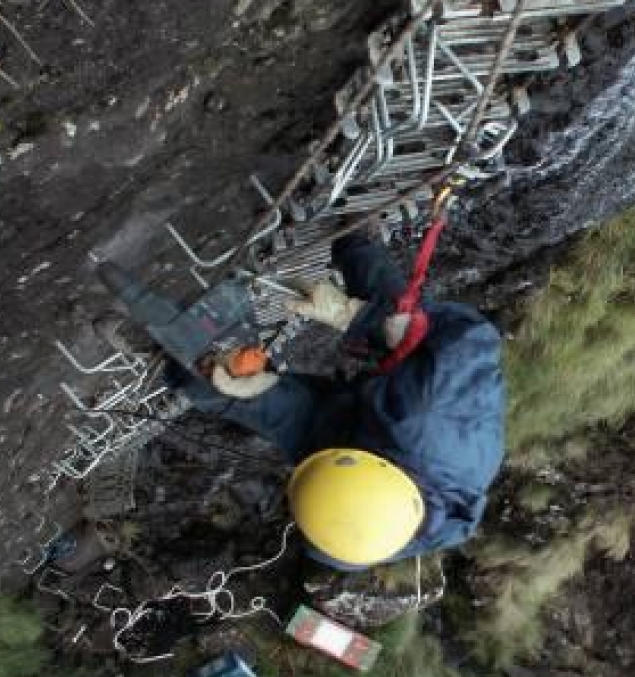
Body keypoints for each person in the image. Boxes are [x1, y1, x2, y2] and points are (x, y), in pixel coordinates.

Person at [174, 232, 506, 571]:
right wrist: (362, 317)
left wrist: (256, 388)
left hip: (357, 445)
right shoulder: (429, 410)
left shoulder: (365, 534)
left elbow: (308, 452)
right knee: (390, 312)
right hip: (422, 392)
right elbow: (472, 337)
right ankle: (355, 231)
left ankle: (190, 358)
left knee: (209, 382)